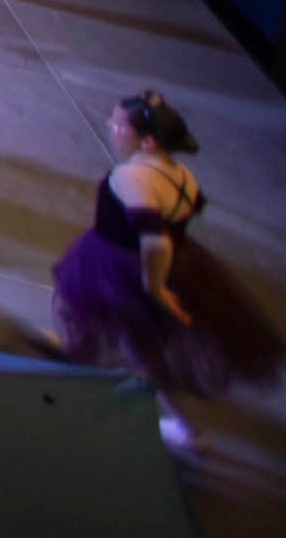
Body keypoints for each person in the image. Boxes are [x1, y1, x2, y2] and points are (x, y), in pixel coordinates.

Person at [45, 91, 286, 451]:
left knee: (141, 347)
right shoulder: (182, 175)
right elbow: (185, 215)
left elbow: (154, 240)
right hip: (165, 263)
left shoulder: (133, 178)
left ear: (147, 140)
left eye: (118, 124)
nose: (111, 128)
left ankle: (189, 432)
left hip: (126, 268)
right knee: (107, 321)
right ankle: (76, 349)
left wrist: (155, 288)